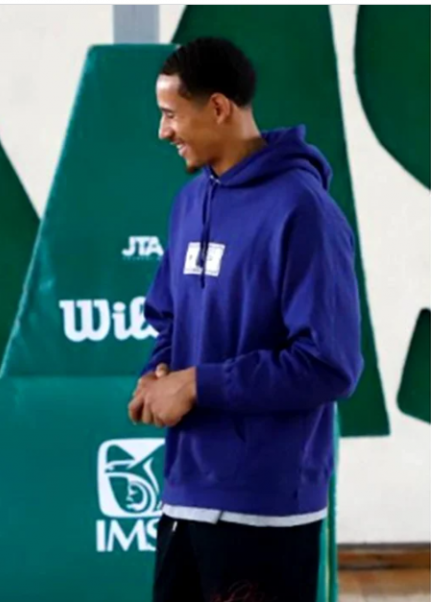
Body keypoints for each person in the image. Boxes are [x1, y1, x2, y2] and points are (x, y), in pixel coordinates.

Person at [129, 37, 363, 601]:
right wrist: (158, 373)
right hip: (184, 494)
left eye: (170, 115)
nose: (164, 132)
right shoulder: (188, 202)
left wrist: (199, 384)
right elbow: (169, 319)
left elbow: (329, 366)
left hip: (264, 511)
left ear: (217, 107)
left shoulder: (302, 210)